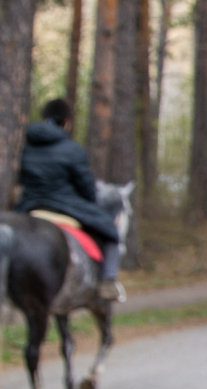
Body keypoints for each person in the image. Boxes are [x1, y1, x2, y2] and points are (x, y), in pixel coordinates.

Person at [13, 98, 125, 301]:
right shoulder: (72, 149)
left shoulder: (23, 144)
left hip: (28, 206)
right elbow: (86, 189)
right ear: (66, 121)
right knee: (110, 231)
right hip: (65, 206)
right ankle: (108, 282)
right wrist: (89, 202)